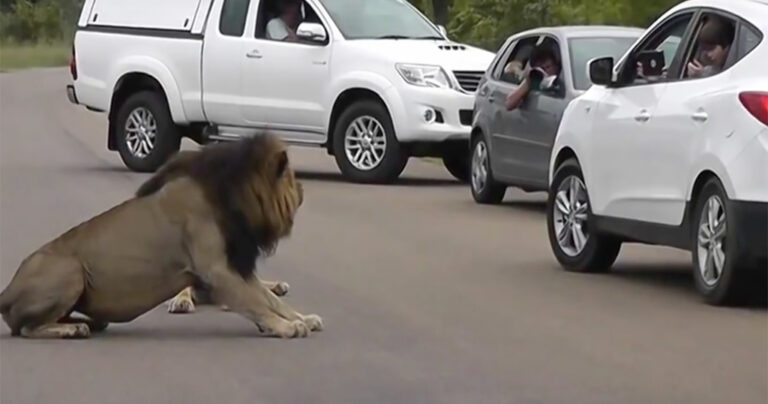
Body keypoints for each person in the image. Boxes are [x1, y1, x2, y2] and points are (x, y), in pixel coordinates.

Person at [505, 45, 561, 111]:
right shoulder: (534, 80)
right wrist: (528, 83)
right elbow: (509, 104)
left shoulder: (563, 79)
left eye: (547, 67)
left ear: (556, 66)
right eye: (541, 68)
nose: (544, 71)